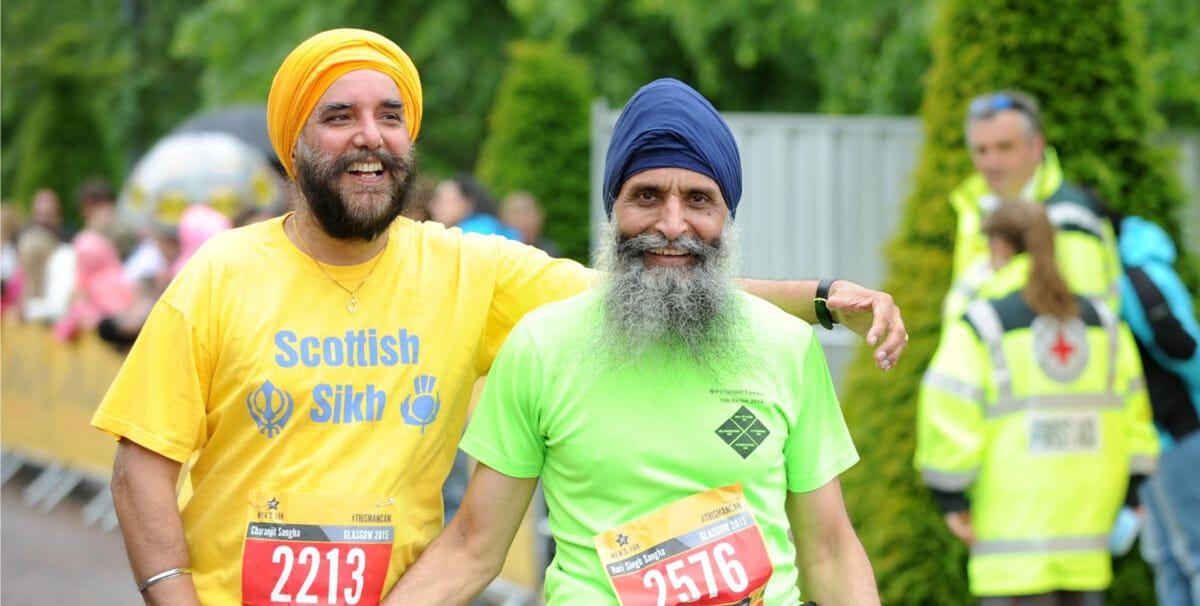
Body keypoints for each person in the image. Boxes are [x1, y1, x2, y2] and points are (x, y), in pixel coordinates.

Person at [91, 28, 907, 606]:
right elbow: (140, 470)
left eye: (390, 115)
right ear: (291, 141)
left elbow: (651, 277)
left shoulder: (469, 269)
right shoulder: (218, 275)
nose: (369, 136)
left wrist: (818, 298)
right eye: (339, 116)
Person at [388, 78, 880, 606]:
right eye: (647, 196)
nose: (672, 224)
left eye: (699, 200)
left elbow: (829, 550)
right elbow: (471, 549)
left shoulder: (785, 346)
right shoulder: (541, 346)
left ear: (727, 216)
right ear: (613, 211)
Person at [916, 200, 1159, 605]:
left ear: (997, 247)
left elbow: (948, 409)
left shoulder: (982, 322)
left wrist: (950, 495)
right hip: (1088, 535)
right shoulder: (1106, 325)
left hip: (1011, 543)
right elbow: (1134, 415)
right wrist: (1132, 491)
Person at [943, 91, 1121, 323]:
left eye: (1005, 147)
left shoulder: (1068, 217)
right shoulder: (976, 205)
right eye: (981, 150)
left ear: (1036, 146)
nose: (991, 162)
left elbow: (1082, 322)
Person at [1115, 214, 1200, 606]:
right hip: (1153, 436)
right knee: (1168, 559)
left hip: (1177, 429)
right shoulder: (1131, 266)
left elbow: (1182, 345)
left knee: (1190, 555)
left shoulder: (1133, 272)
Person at [427, 173, 521, 240]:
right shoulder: (489, 225)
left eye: (442, 200)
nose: (432, 205)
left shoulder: (473, 235)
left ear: (466, 203)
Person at [499, 190, 561, 256]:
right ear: (503, 218)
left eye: (528, 213)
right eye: (516, 213)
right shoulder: (498, 253)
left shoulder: (550, 253)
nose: (524, 221)